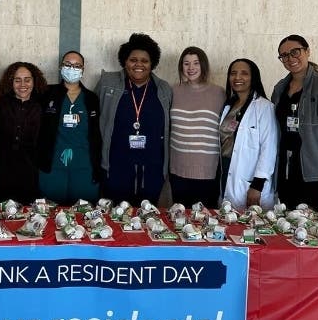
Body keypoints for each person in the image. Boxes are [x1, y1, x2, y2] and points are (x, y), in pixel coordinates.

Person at [269, 35, 318, 212]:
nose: (290, 58)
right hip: (286, 175)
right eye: (284, 55)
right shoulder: (279, 89)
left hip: (317, 177)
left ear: (307, 51)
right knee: (288, 232)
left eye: (295, 52)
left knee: (316, 234)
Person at [96, 33, 173, 206]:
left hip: (152, 169)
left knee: (148, 219)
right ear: (125, 61)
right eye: (133, 60)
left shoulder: (163, 89)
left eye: (144, 61)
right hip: (116, 167)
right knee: (115, 218)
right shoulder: (107, 83)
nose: (139, 65)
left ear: (152, 63)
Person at [37, 51, 103, 205]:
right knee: (51, 213)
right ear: (61, 67)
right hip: (53, 166)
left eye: (77, 66)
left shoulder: (91, 98)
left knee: (83, 214)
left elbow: (96, 134)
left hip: (84, 166)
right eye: (68, 64)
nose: (72, 69)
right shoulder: (47, 94)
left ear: (83, 69)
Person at [218, 58, 278, 209]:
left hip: (251, 180)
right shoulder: (228, 106)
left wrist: (257, 186)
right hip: (225, 171)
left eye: (244, 73)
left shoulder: (264, 107)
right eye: (233, 73)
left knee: (251, 227)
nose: (237, 78)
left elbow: (269, 148)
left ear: (253, 78)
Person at [168, 46, 223, 208]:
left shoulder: (219, 93)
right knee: (179, 218)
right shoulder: (173, 91)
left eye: (196, 63)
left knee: (206, 220)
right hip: (178, 169)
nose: (191, 68)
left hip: (208, 171)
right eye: (186, 64)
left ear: (203, 65)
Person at [0, 61, 47, 203]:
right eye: (17, 80)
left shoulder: (42, 106)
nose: (23, 85)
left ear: (34, 81)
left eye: (27, 80)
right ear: (11, 82)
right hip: (1, 170)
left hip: (30, 171)